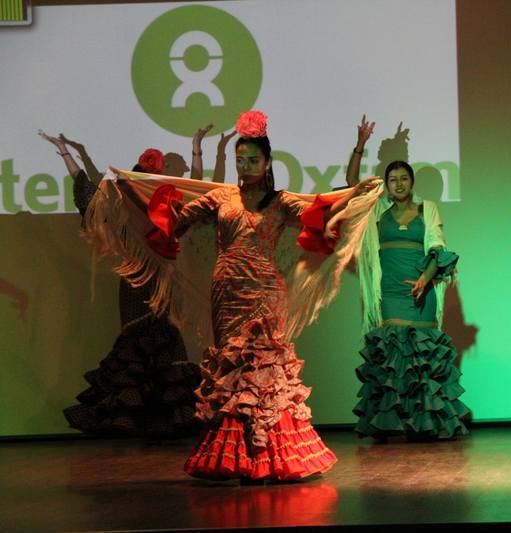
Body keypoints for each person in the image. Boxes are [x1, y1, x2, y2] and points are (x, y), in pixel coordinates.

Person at [86, 110, 381, 482]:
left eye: (252, 160)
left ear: (267, 162)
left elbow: (317, 212)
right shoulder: (221, 196)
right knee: (232, 367)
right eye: (240, 160)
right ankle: (235, 454)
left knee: (265, 367)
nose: (245, 167)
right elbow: (175, 221)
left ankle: (272, 453)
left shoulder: (281, 202)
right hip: (228, 291)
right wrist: (131, 191)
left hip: (268, 290)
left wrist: (355, 194)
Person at [39, 130, 204, 438]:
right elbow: (87, 193)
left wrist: (198, 149)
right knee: (137, 352)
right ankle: (140, 424)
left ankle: (166, 424)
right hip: (134, 287)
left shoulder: (168, 212)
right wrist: (66, 153)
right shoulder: (120, 215)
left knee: (167, 349)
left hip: (164, 288)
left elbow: (195, 190)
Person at [345, 115, 470, 442]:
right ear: (386, 185)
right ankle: (391, 424)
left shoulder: (427, 208)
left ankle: (423, 425)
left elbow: (438, 249)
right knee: (393, 357)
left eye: (403, 179)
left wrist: (424, 280)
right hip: (390, 292)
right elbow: (352, 184)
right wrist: (360, 146)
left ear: (411, 182)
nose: (398, 184)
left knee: (421, 359)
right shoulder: (378, 210)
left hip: (420, 291)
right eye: (393, 179)